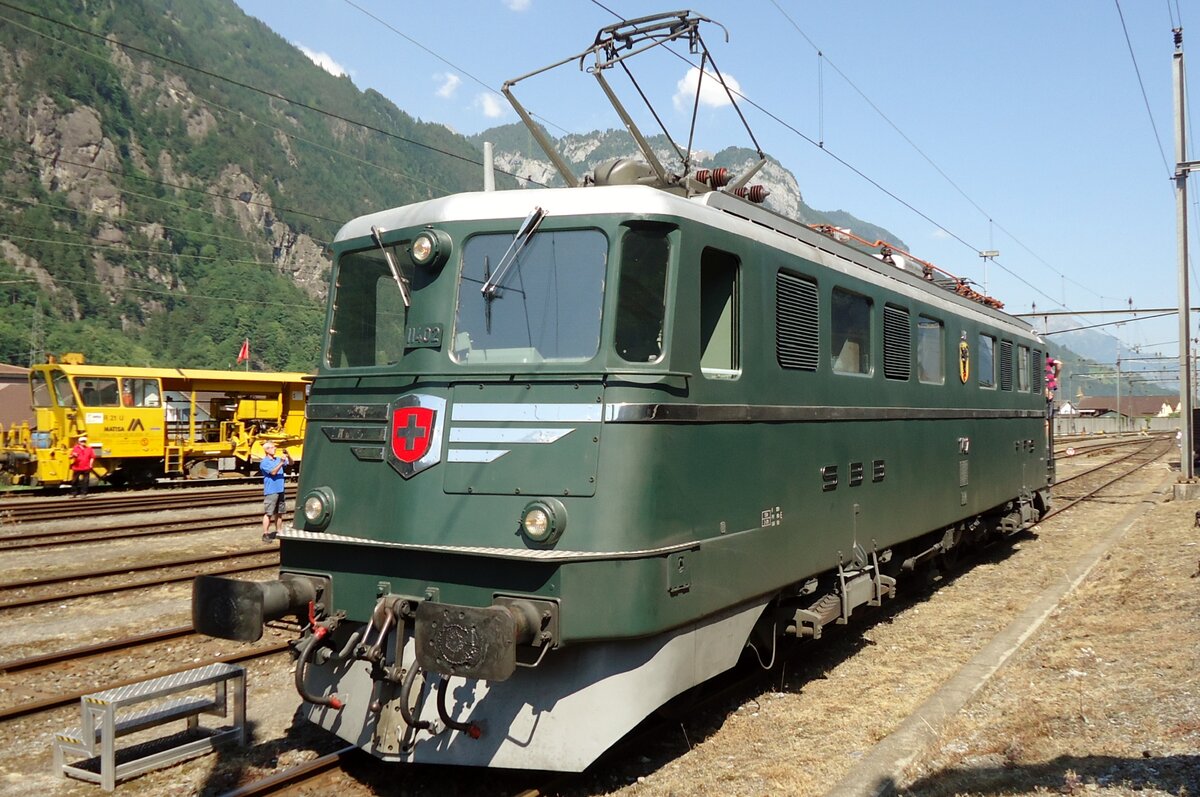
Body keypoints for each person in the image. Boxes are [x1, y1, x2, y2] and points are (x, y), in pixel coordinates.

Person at [260, 441, 289, 542]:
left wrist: (288, 455)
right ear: (267, 450)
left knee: (279, 512)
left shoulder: (277, 459)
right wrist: (281, 462)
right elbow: (273, 472)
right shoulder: (264, 462)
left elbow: (292, 463)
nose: (275, 449)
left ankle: (279, 531)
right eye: (272, 447)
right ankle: (265, 534)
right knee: (269, 512)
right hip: (271, 490)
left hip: (280, 489)